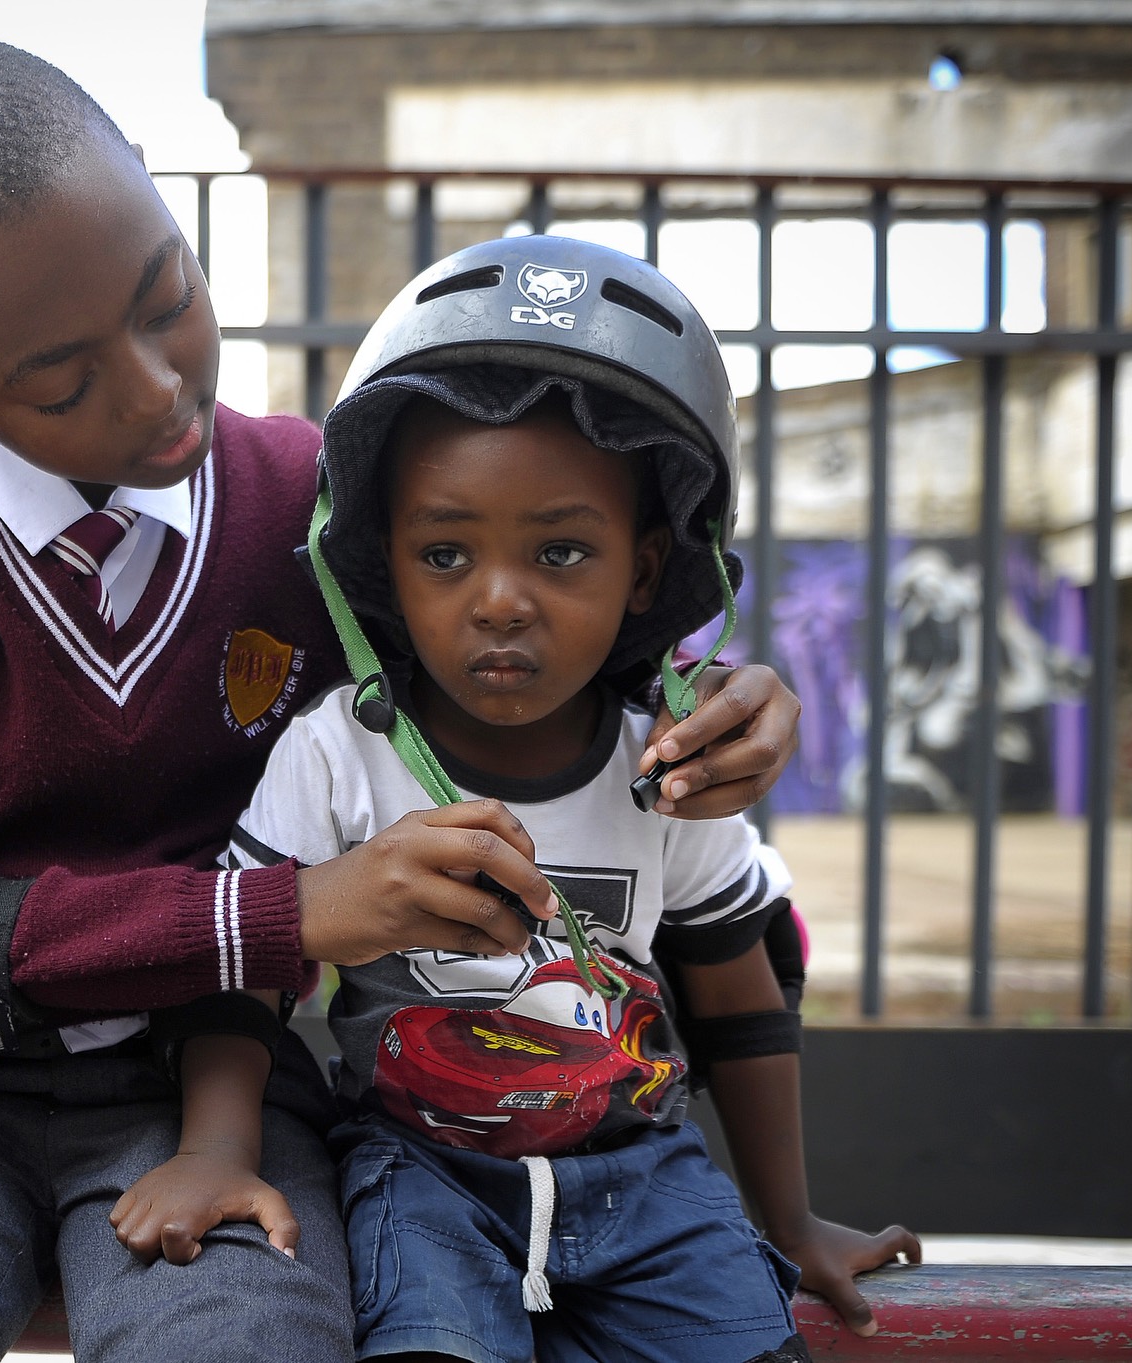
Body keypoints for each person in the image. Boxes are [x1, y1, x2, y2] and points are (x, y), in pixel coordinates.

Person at [0, 40, 806, 1363]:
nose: (157, 388)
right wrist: (290, 909)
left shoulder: (311, 499)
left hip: (216, 1085)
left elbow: (514, 687)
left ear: (166, 203)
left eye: (167, 295)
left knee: (249, 1330)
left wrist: (713, 696)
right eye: (64, 381)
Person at [176, 235, 920, 1363]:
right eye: (444, 555)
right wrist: (218, 1153)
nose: (500, 602)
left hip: (650, 1183)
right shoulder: (335, 753)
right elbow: (243, 978)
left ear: (647, 565)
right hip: (415, 1178)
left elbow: (738, 997)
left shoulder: (676, 769)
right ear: (378, 558)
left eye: (562, 551)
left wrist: (789, 1218)